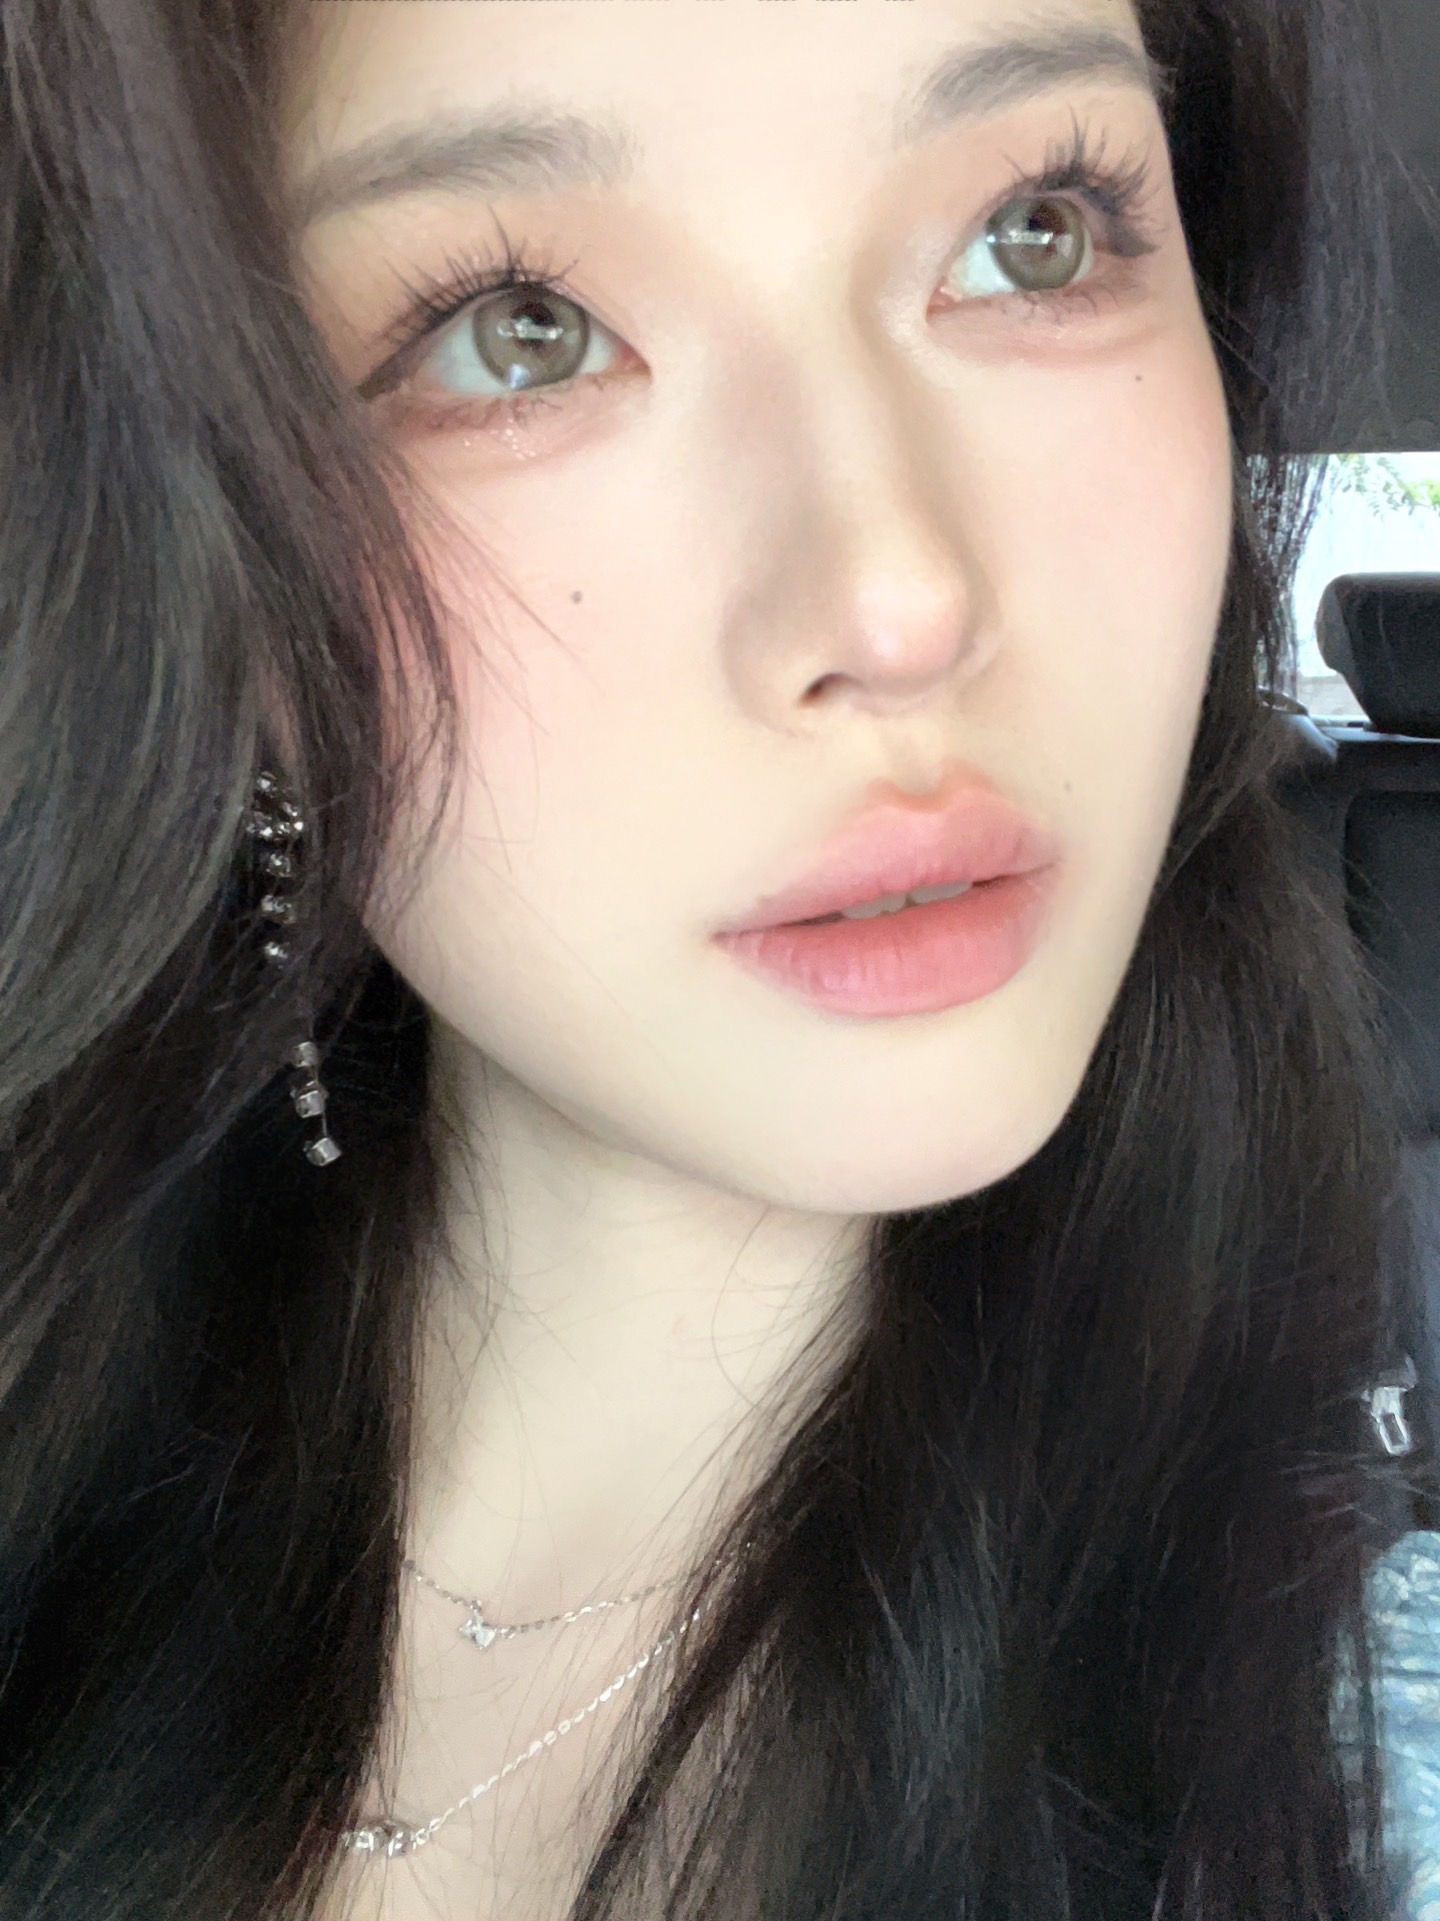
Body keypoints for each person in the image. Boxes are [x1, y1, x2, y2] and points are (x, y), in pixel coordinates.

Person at [0, 0, 1430, 1915]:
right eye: (521, 330)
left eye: (1035, 232)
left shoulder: (1358, 1743)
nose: (901, 600)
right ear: (211, 567)